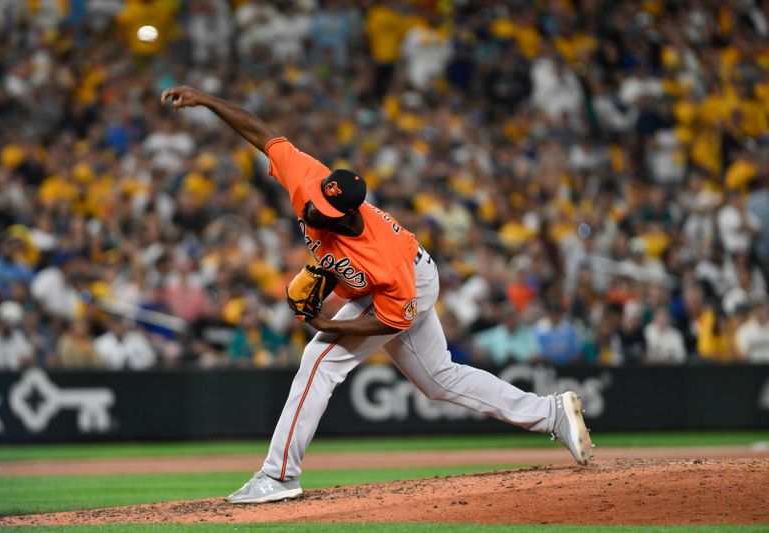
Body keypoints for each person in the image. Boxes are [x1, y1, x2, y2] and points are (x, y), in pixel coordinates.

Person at [161, 85, 593, 505]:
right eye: (316, 205)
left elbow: (394, 320)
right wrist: (206, 100)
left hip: (410, 287)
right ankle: (550, 412)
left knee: (319, 360)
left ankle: (278, 475)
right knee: (439, 379)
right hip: (387, 284)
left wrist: (331, 324)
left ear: (350, 215)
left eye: (327, 213)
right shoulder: (312, 182)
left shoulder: (382, 255)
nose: (313, 213)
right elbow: (260, 132)